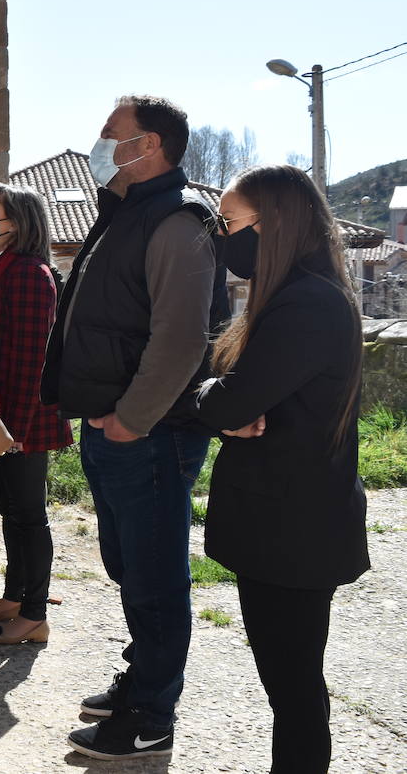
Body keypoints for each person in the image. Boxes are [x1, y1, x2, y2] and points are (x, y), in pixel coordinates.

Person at [43, 95, 225, 760]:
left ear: (149, 146)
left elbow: (181, 338)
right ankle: (143, 676)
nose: (100, 143)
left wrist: (130, 419)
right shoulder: (127, 213)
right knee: (129, 565)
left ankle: (151, 711)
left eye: (110, 134)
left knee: (153, 574)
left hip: (148, 431)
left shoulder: (179, 221)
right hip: (116, 426)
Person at [194, 165, 369, 773]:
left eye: (231, 220)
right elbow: (238, 400)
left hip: (293, 527)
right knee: (291, 682)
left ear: (274, 223)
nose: (224, 234)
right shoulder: (304, 294)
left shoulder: (306, 303)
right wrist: (225, 401)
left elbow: (233, 400)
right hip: (288, 520)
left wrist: (216, 399)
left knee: (293, 686)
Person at [0, 183, 72, 644]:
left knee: (28, 515)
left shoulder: (28, 273)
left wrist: (15, 430)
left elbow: (30, 359)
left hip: (20, 419)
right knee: (11, 511)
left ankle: (35, 614)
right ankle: (16, 596)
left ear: (17, 223)